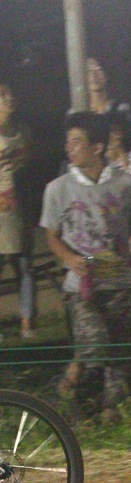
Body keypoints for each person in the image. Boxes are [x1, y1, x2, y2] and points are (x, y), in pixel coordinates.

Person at [41, 112, 131, 422]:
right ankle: (65, 388)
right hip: (81, 286)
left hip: (122, 283)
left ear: (97, 147)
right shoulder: (58, 189)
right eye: (68, 142)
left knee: (120, 356)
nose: (69, 148)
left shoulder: (127, 185)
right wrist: (69, 259)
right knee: (96, 344)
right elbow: (51, 235)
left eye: (76, 142)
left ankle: (109, 417)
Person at [0, 82, 36, 339]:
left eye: (10, 94)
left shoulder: (23, 132)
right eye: (2, 95)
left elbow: (30, 167)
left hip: (20, 205)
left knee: (24, 266)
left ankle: (27, 324)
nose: (8, 99)